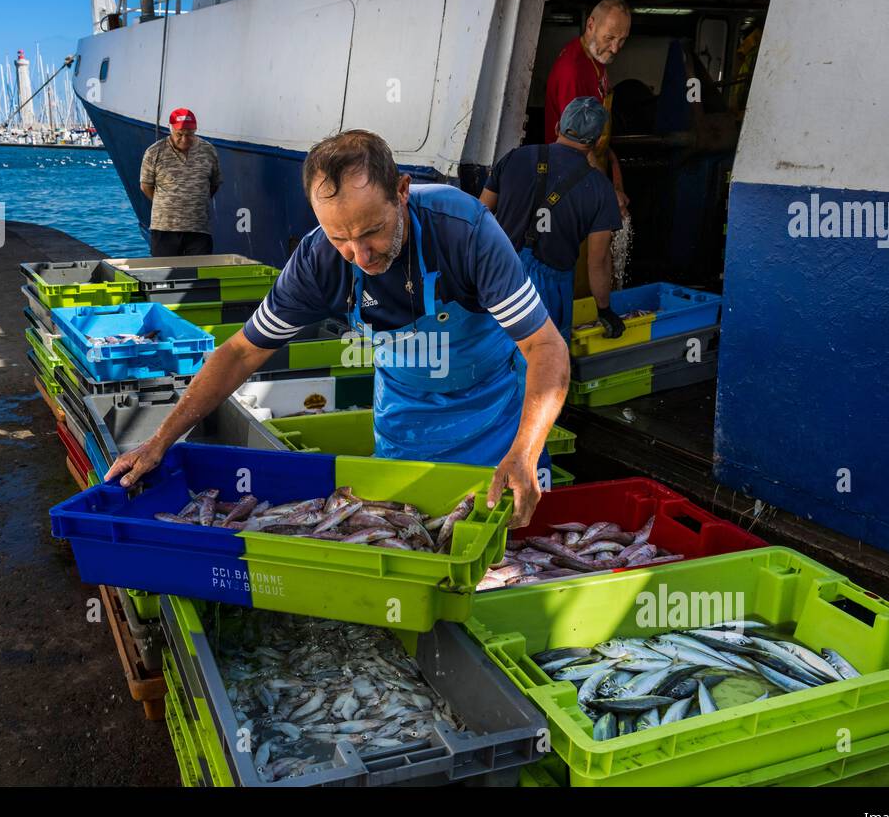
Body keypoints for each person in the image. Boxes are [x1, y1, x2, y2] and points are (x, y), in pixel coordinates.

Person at [106, 130, 570, 527]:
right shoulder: (317, 260)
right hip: (406, 422)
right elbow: (242, 353)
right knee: (411, 533)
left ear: (402, 190)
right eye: (339, 237)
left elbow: (545, 346)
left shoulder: (463, 230)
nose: (361, 256)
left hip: (499, 418)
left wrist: (525, 452)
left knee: (512, 548)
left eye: (373, 231)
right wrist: (159, 441)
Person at [480, 97, 623, 343]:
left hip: (498, 277)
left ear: (557, 127)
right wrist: (604, 310)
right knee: (543, 366)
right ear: (598, 141)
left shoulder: (514, 158)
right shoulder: (601, 189)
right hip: (547, 290)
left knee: (494, 361)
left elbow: (479, 215)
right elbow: (597, 261)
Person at [544, 0, 632, 220]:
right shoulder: (574, 69)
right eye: (610, 38)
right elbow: (577, 143)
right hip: (571, 176)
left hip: (590, 166)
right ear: (591, 25)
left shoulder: (596, 60)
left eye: (622, 40)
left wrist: (612, 163)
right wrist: (605, 192)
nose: (615, 48)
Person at [139, 108, 222, 256]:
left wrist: (195, 200)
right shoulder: (154, 152)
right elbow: (146, 186)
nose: (184, 139)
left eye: (189, 134)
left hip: (198, 228)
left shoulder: (208, 151)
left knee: (200, 274)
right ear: (170, 129)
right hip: (164, 228)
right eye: (179, 134)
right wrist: (167, 203)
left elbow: (214, 184)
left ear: (195, 130)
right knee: (165, 274)